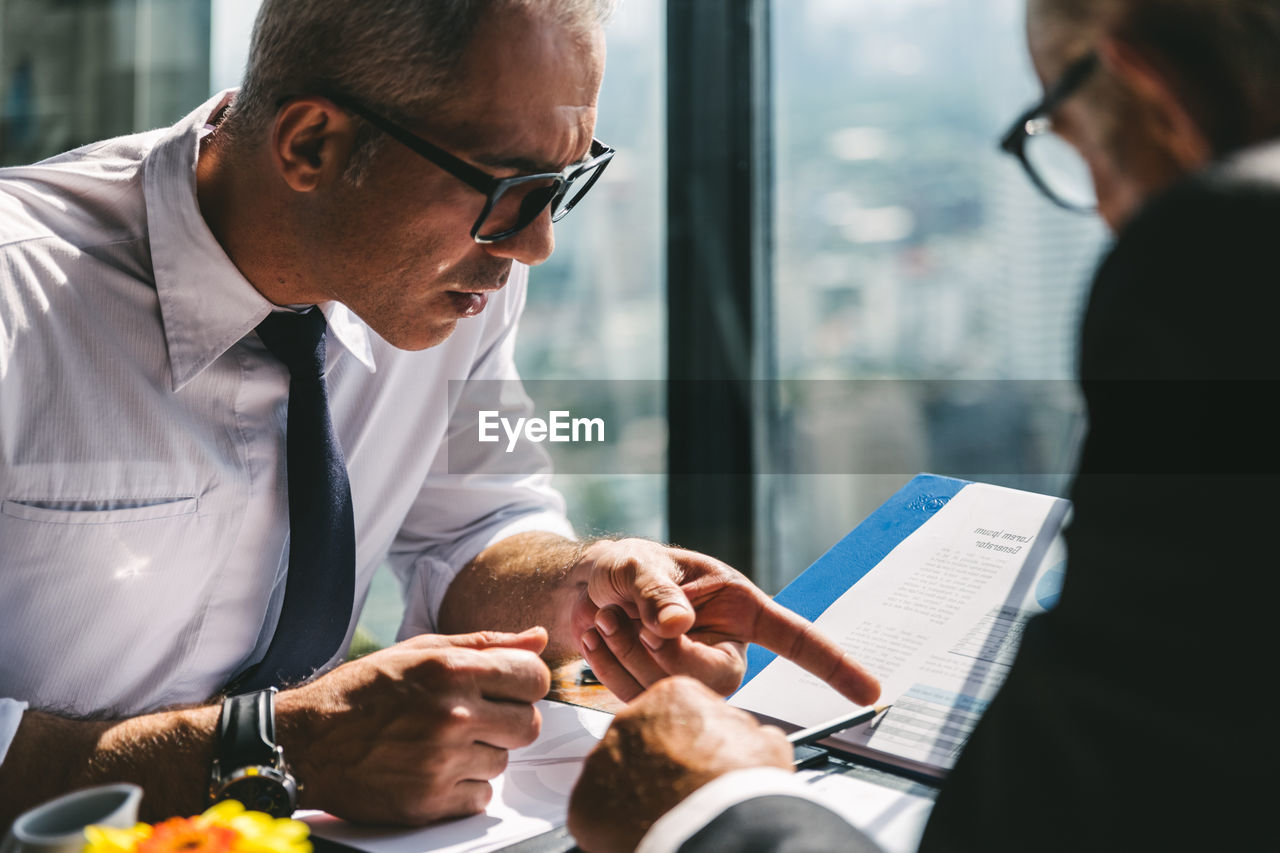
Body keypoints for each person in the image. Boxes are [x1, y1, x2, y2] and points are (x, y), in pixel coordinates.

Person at [0, 0, 881, 831]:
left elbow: (480, 523)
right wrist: (277, 750)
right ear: (311, 145)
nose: (534, 243)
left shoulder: (465, 271)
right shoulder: (18, 302)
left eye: (559, 184)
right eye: (510, 187)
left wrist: (588, 593)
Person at [567, 0, 1280, 850]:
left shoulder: (1227, 256)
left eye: (1072, 140)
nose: (1102, 211)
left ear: (1153, 90)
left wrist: (720, 804)